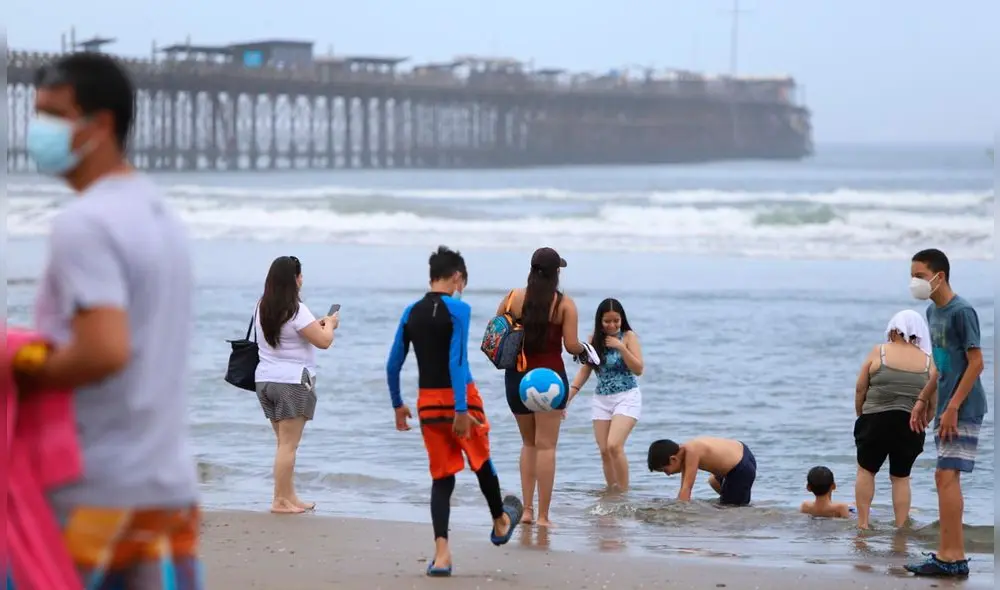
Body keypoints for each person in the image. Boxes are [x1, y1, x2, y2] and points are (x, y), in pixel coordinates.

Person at [14, 52, 202, 588]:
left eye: (53, 115)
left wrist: (21, 367)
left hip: (93, 489)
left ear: (100, 125)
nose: (38, 130)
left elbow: (104, 350)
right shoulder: (159, 213)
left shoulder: (84, 222)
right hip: (167, 487)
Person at [387, 246, 523, 577]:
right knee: (480, 462)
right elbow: (457, 361)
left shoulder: (410, 312)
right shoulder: (458, 310)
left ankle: (442, 554)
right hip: (461, 400)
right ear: (457, 277)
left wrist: (397, 404)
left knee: (442, 476)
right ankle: (501, 521)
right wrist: (461, 409)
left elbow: (393, 363)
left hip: (427, 404)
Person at [905, 249, 987, 578]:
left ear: (940, 276)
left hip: (964, 406)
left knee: (946, 477)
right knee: (945, 479)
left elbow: (976, 363)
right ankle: (951, 555)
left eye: (920, 276)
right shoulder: (932, 312)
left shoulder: (961, 311)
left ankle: (952, 557)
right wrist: (924, 400)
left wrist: (952, 406)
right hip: (945, 405)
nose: (915, 282)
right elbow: (941, 367)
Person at [497, 247, 586, 527]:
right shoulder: (564, 305)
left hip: (517, 378)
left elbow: (498, 328)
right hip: (550, 381)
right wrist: (586, 348)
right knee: (546, 448)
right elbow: (570, 345)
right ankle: (545, 517)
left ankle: (526, 512)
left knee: (528, 444)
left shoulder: (513, 297)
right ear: (556, 273)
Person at [254, 255, 338, 514]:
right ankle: (279, 501)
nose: (302, 280)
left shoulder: (261, 306)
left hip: (265, 380)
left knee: (283, 443)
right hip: (291, 382)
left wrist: (319, 325)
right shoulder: (297, 310)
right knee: (288, 446)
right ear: (295, 280)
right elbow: (323, 342)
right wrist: (331, 324)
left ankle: (289, 496)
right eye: (300, 275)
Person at [853, 309, 932, 530]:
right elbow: (934, 399)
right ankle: (900, 527)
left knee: (866, 470)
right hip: (911, 424)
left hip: (875, 419)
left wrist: (861, 413)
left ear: (894, 330)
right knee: (901, 477)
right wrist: (925, 421)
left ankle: (863, 525)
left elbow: (861, 388)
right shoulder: (928, 361)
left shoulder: (879, 352)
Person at [567, 298, 644, 492]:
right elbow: (585, 371)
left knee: (614, 446)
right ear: (599, 321)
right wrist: (567, 398)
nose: (612, 325)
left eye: (616, 321)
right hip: (602, 399)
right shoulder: (594, 340)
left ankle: (624, 493)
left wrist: (620, 347)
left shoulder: (628, 337)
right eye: (607, 321)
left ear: (621, 319)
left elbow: (638, 369)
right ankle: (612, 492)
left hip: (627, 396)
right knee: (604, 451)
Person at [647, 437, 757, 506]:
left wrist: (678, 514)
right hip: (742, 453)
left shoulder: (692, 451)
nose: (668, 474)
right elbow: (684, 488)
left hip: (740, 468)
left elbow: (686, 488)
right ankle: (734, 498)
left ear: (673, 459)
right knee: (713, 481)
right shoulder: (687, 450)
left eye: (665, 470)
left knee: (730, 509)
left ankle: (736, 503)